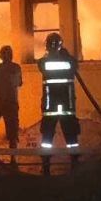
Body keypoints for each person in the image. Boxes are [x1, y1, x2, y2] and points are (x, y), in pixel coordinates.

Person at [36, 32, 80, 174]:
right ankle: (74, 164)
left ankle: (46, 166)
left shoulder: (44, 62)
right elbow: (75, 65)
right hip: (67, 106)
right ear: (60, 46)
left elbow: (40, 63)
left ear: (47, 46)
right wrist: (66, 55)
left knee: (47, 139)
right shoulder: (70, 61)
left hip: (50, 107)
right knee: (71, 137)